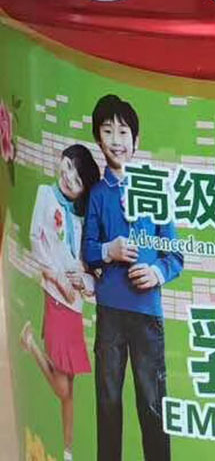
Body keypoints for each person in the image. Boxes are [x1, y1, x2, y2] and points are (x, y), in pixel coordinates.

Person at [83, 94, 183, 461]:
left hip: (146, 313)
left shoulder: (154, 190)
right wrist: (109, 250)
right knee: (108, 398)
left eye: (123, 132)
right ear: (98, 139)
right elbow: (88, 249)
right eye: (107, 131)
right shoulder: (97, 195)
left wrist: (156, 272)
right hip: (110, 310)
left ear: (136, 140)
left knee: (152, 400)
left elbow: (175, 255)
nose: (116, 140)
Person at [21, 144, 101, 461]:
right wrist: (58, 280)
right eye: (67, 166)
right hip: (56, 299)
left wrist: (84, 283)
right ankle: (31, 345)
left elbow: (88, 268)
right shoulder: (46, 195)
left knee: (70, 389)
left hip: (75, 306)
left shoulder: (82, 218)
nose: (68, 177)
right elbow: (35, 240)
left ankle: (67, 450)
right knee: (63, 387)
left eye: (77, 179)